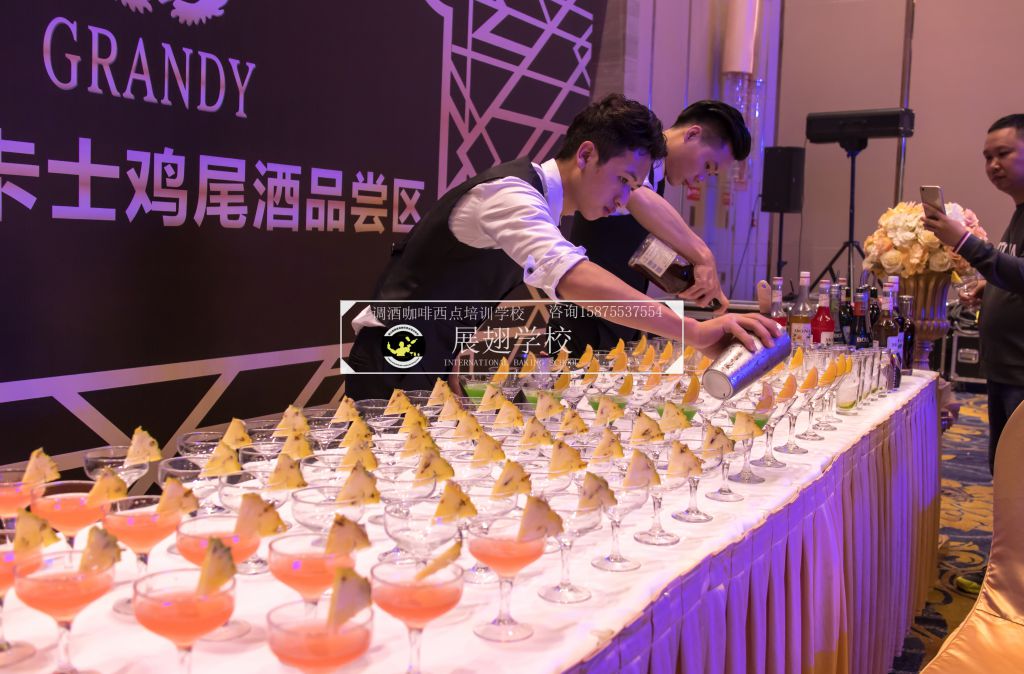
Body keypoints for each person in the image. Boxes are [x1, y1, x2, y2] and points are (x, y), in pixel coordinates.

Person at [345, 94, 779, 399]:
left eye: (634, 188)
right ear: (586, 155)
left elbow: (456, 288)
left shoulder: (544, 205)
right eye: (624, 181)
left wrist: (451, 356)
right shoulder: (512, 195)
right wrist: (694, 332)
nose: (624, 200)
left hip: (429, 355)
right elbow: (574, 278)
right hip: (396, 355)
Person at [554, 100, 751, 356]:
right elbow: (638, 197)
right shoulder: (639, 157)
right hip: (583, 323)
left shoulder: (655, 177)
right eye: (707, 166)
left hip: (616, 323)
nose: (700, 179)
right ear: (692, 134)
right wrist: (703, 256)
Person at [923, 113, 1024, 474]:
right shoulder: (1019, 213)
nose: (993, 165)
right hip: (1005, 368)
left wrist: (964, 241)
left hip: (1020, 372)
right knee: (1005, 473)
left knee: (1017, 479)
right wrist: (991, 286)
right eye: (987, 157)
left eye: (1003, 154)